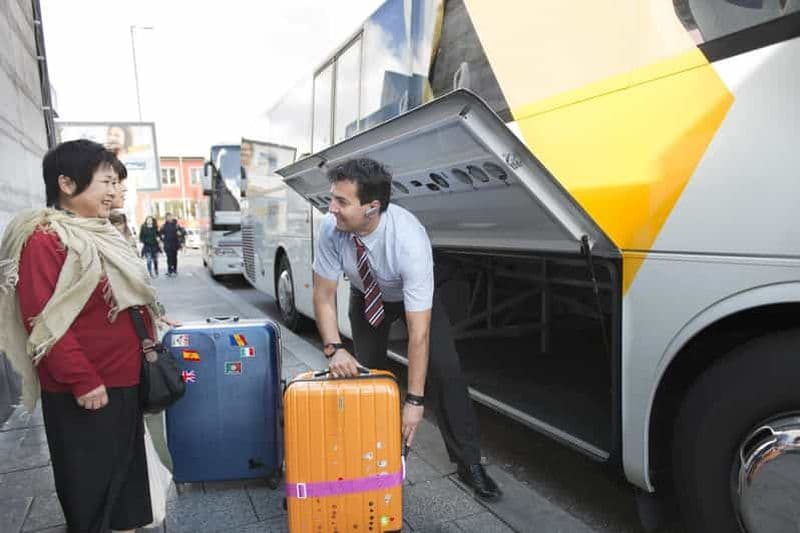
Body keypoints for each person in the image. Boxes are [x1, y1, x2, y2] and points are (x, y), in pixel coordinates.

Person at [312, 158, 501, 501]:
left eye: (341, 201)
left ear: (372, 207)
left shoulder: (409, 239)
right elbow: (323, 297)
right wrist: (334, 348)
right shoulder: (331, 229)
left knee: (446, 372)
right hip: (368, 295)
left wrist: (415, 401)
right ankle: (372, 458)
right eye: (332, 198)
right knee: (367, 376)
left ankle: (469, 463)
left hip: (413, 297)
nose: (331, 209)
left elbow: (419, 334)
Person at [0, 139, 162, 532]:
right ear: (67, 185)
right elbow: (43, 320)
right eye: (105, 182)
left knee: (122, 479)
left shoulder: (99, 233)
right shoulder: (44, 239)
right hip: (87, 387)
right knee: (92, 485)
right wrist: (82, 379)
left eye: (115, 182)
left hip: (121, 378)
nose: (113, 192)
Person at [158, 213, 185, 277]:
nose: (169, 218)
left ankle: (175, 270)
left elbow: (183, 231)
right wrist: (162, 237)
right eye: (168, 217)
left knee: (174, 257)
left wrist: (180, 233)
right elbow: (160, 233)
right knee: (168, 258)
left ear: (172, 217)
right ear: (166, 218)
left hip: (175, 244)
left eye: (170, 217)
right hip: (167, 244)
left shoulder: (176, 225)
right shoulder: (164, 226)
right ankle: (169, 270)